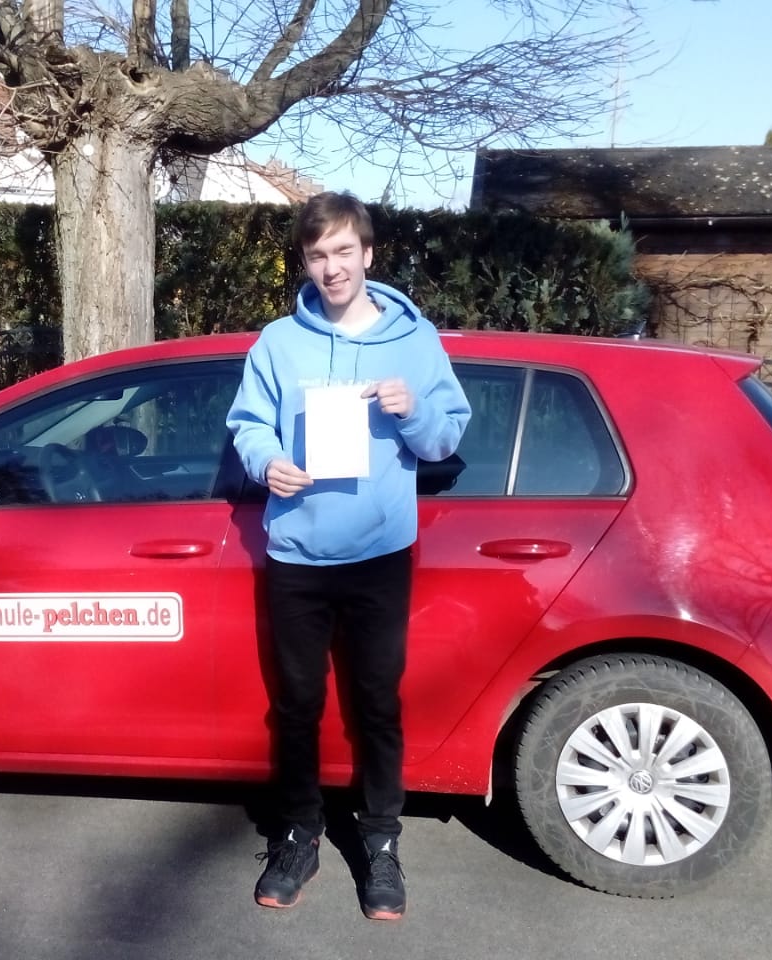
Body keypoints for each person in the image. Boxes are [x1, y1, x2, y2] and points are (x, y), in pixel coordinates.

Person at [226, 192, 471, 921]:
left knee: (377, 703)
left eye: (342, 252)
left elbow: (446, 437)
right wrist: (267, 462)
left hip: (378, 554)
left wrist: (414, 410)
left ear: (367, 253)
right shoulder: (278, 343)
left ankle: (382, 841)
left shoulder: (414, 341)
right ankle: (298, 834)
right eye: (317, 255)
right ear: (305, 263)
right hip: (298, 552)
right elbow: (248, 425)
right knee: (296, 706)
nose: (331, 267)